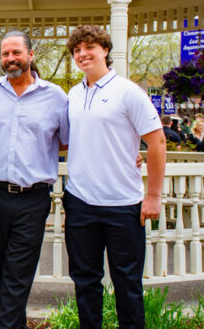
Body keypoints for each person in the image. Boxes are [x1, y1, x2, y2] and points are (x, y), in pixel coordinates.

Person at [64, 25, 166, 329]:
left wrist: (153, 196)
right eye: (77, 50)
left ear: (105, 50)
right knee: (85, 282)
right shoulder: (73, 94)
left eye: (89, 47)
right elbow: (72, 139)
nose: (83, 54)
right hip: (80, 203)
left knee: (127, 284)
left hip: (124, 204)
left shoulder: (127, 92)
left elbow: (157, 141)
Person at [0, 31, 69, 329]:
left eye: (16, 53)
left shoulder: (55, 97)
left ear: (31, 54)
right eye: (5, 54)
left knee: (18, 273)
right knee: (0, 273)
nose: (10, 59)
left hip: (33, 198)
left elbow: (69, 140)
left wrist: (132, 153)